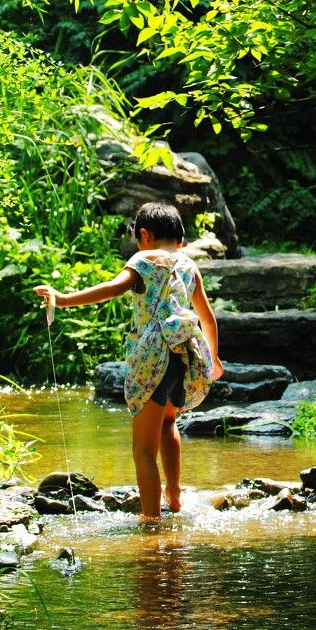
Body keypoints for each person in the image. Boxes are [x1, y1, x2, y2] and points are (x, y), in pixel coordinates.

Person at [33, 202, 224, 524]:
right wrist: (213, 358)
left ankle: (151, 522)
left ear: (144, 235)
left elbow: (111, 289)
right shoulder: (190, 265)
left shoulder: (143, 259)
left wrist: (62, 299)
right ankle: (174, 498)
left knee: (143, 449)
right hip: (184, 354)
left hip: (152, 356)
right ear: (180, 239)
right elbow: (207, 317)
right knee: (168, 424)